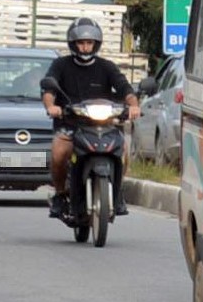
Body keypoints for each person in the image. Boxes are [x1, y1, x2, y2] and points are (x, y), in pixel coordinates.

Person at [43, 17, 139, 218]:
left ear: (96, 44)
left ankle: (117, 192)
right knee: (59, 153)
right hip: (70, 125)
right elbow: (49, 90)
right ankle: (60, 195)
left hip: (103, 124)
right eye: (81, 43)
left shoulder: (107, 67)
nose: (85, 47)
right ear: (73, 44)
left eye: (89, 43)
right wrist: (52, 106)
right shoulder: (61, 65)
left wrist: (133, 105)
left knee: (124, 151)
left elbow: (125, 88)